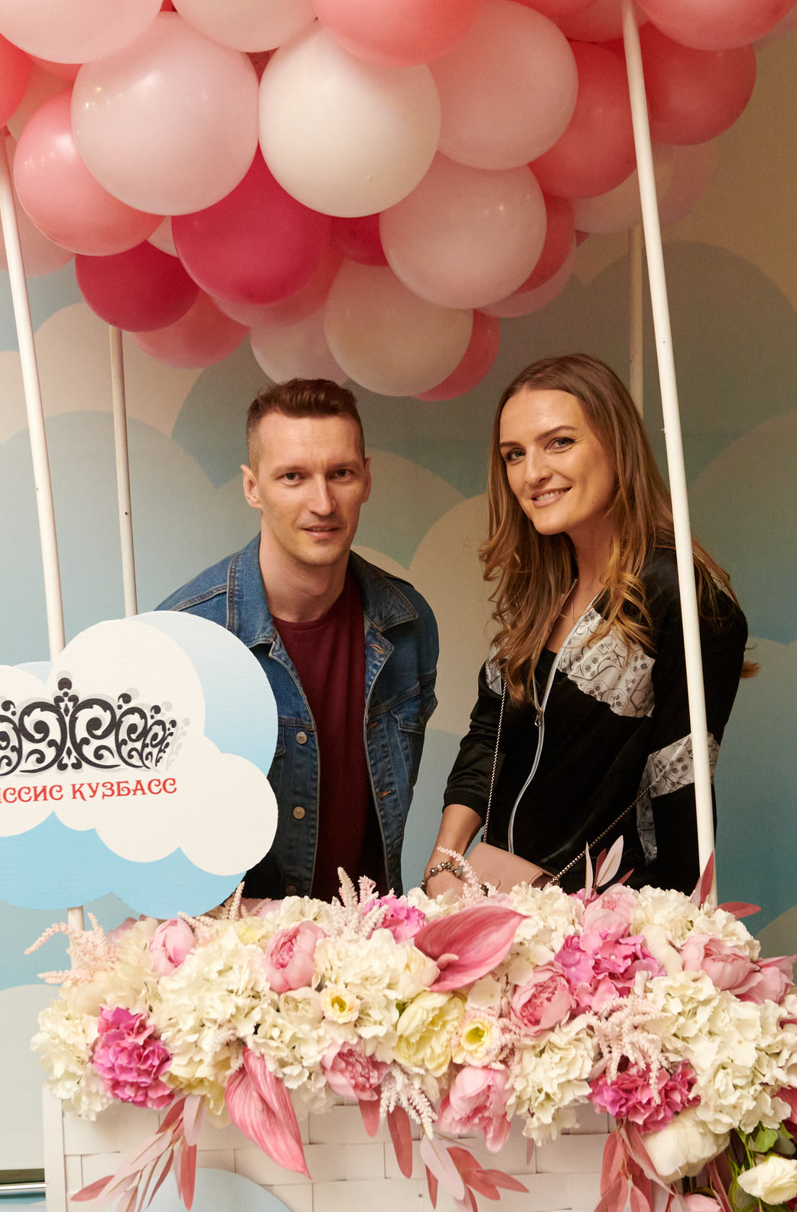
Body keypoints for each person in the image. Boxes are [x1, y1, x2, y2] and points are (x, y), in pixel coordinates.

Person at [424, 352, 749, 899]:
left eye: (559, 442)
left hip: (598, 922)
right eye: (514, 454)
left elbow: (679, 800)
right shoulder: (545, 587)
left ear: (617, 445)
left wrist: (615, 926)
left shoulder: (682, 595)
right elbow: (490, 734)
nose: (532, 473)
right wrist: (443, 864)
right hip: (494, 903)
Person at [160, 378, 439, 900]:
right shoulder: (186, 640)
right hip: (241, 946)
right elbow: (162, 848)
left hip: (374, 940)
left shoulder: (407, 624)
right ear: (252, 487)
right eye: (293, 476)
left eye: (340, 474)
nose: (323, 503)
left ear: (366, 478)